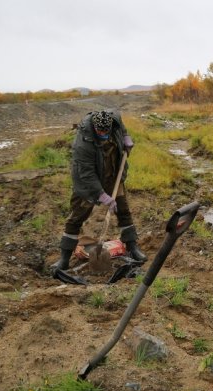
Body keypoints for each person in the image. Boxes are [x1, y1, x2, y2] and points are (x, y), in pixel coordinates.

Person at [50, 110, 147, 272]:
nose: (103, 134)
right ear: (94, 128)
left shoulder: (114, 120)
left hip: (113, 174)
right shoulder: (83, 142)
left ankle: (132, 246)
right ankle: (64, 258)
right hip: (88, 183)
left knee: (124, 210)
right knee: (77, 216)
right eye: (99, 132)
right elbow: (86, 174)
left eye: (105, 131)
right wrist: (102, 196)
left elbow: (121, 125)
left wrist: (125, 137)